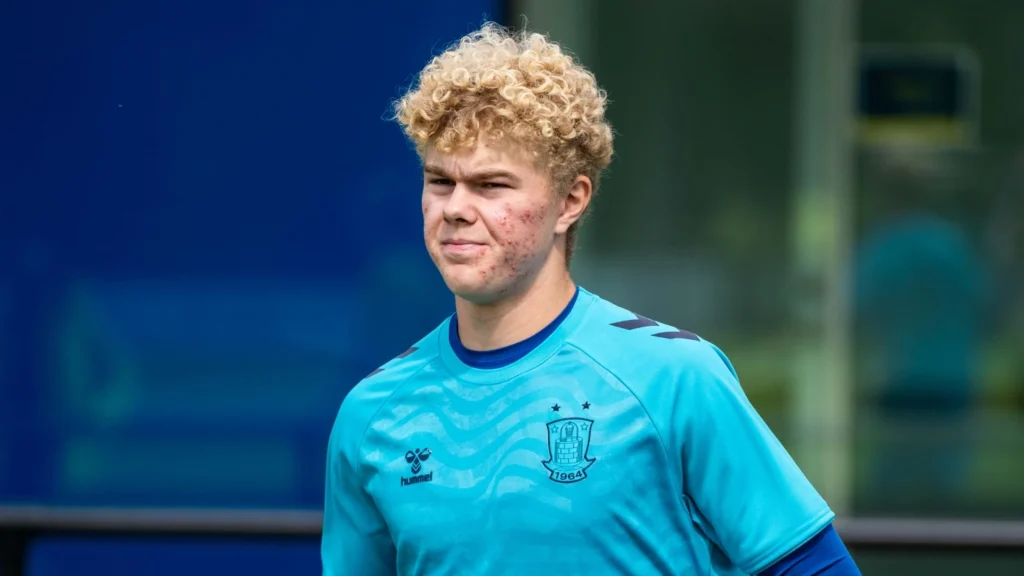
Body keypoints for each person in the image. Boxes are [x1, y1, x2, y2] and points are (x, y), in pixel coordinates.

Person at [322, 22, 860, 575]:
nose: (455, 208)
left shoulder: (675, 378)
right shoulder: (372, 412)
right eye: (440, 181)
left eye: (490, 185)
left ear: (570, 201)